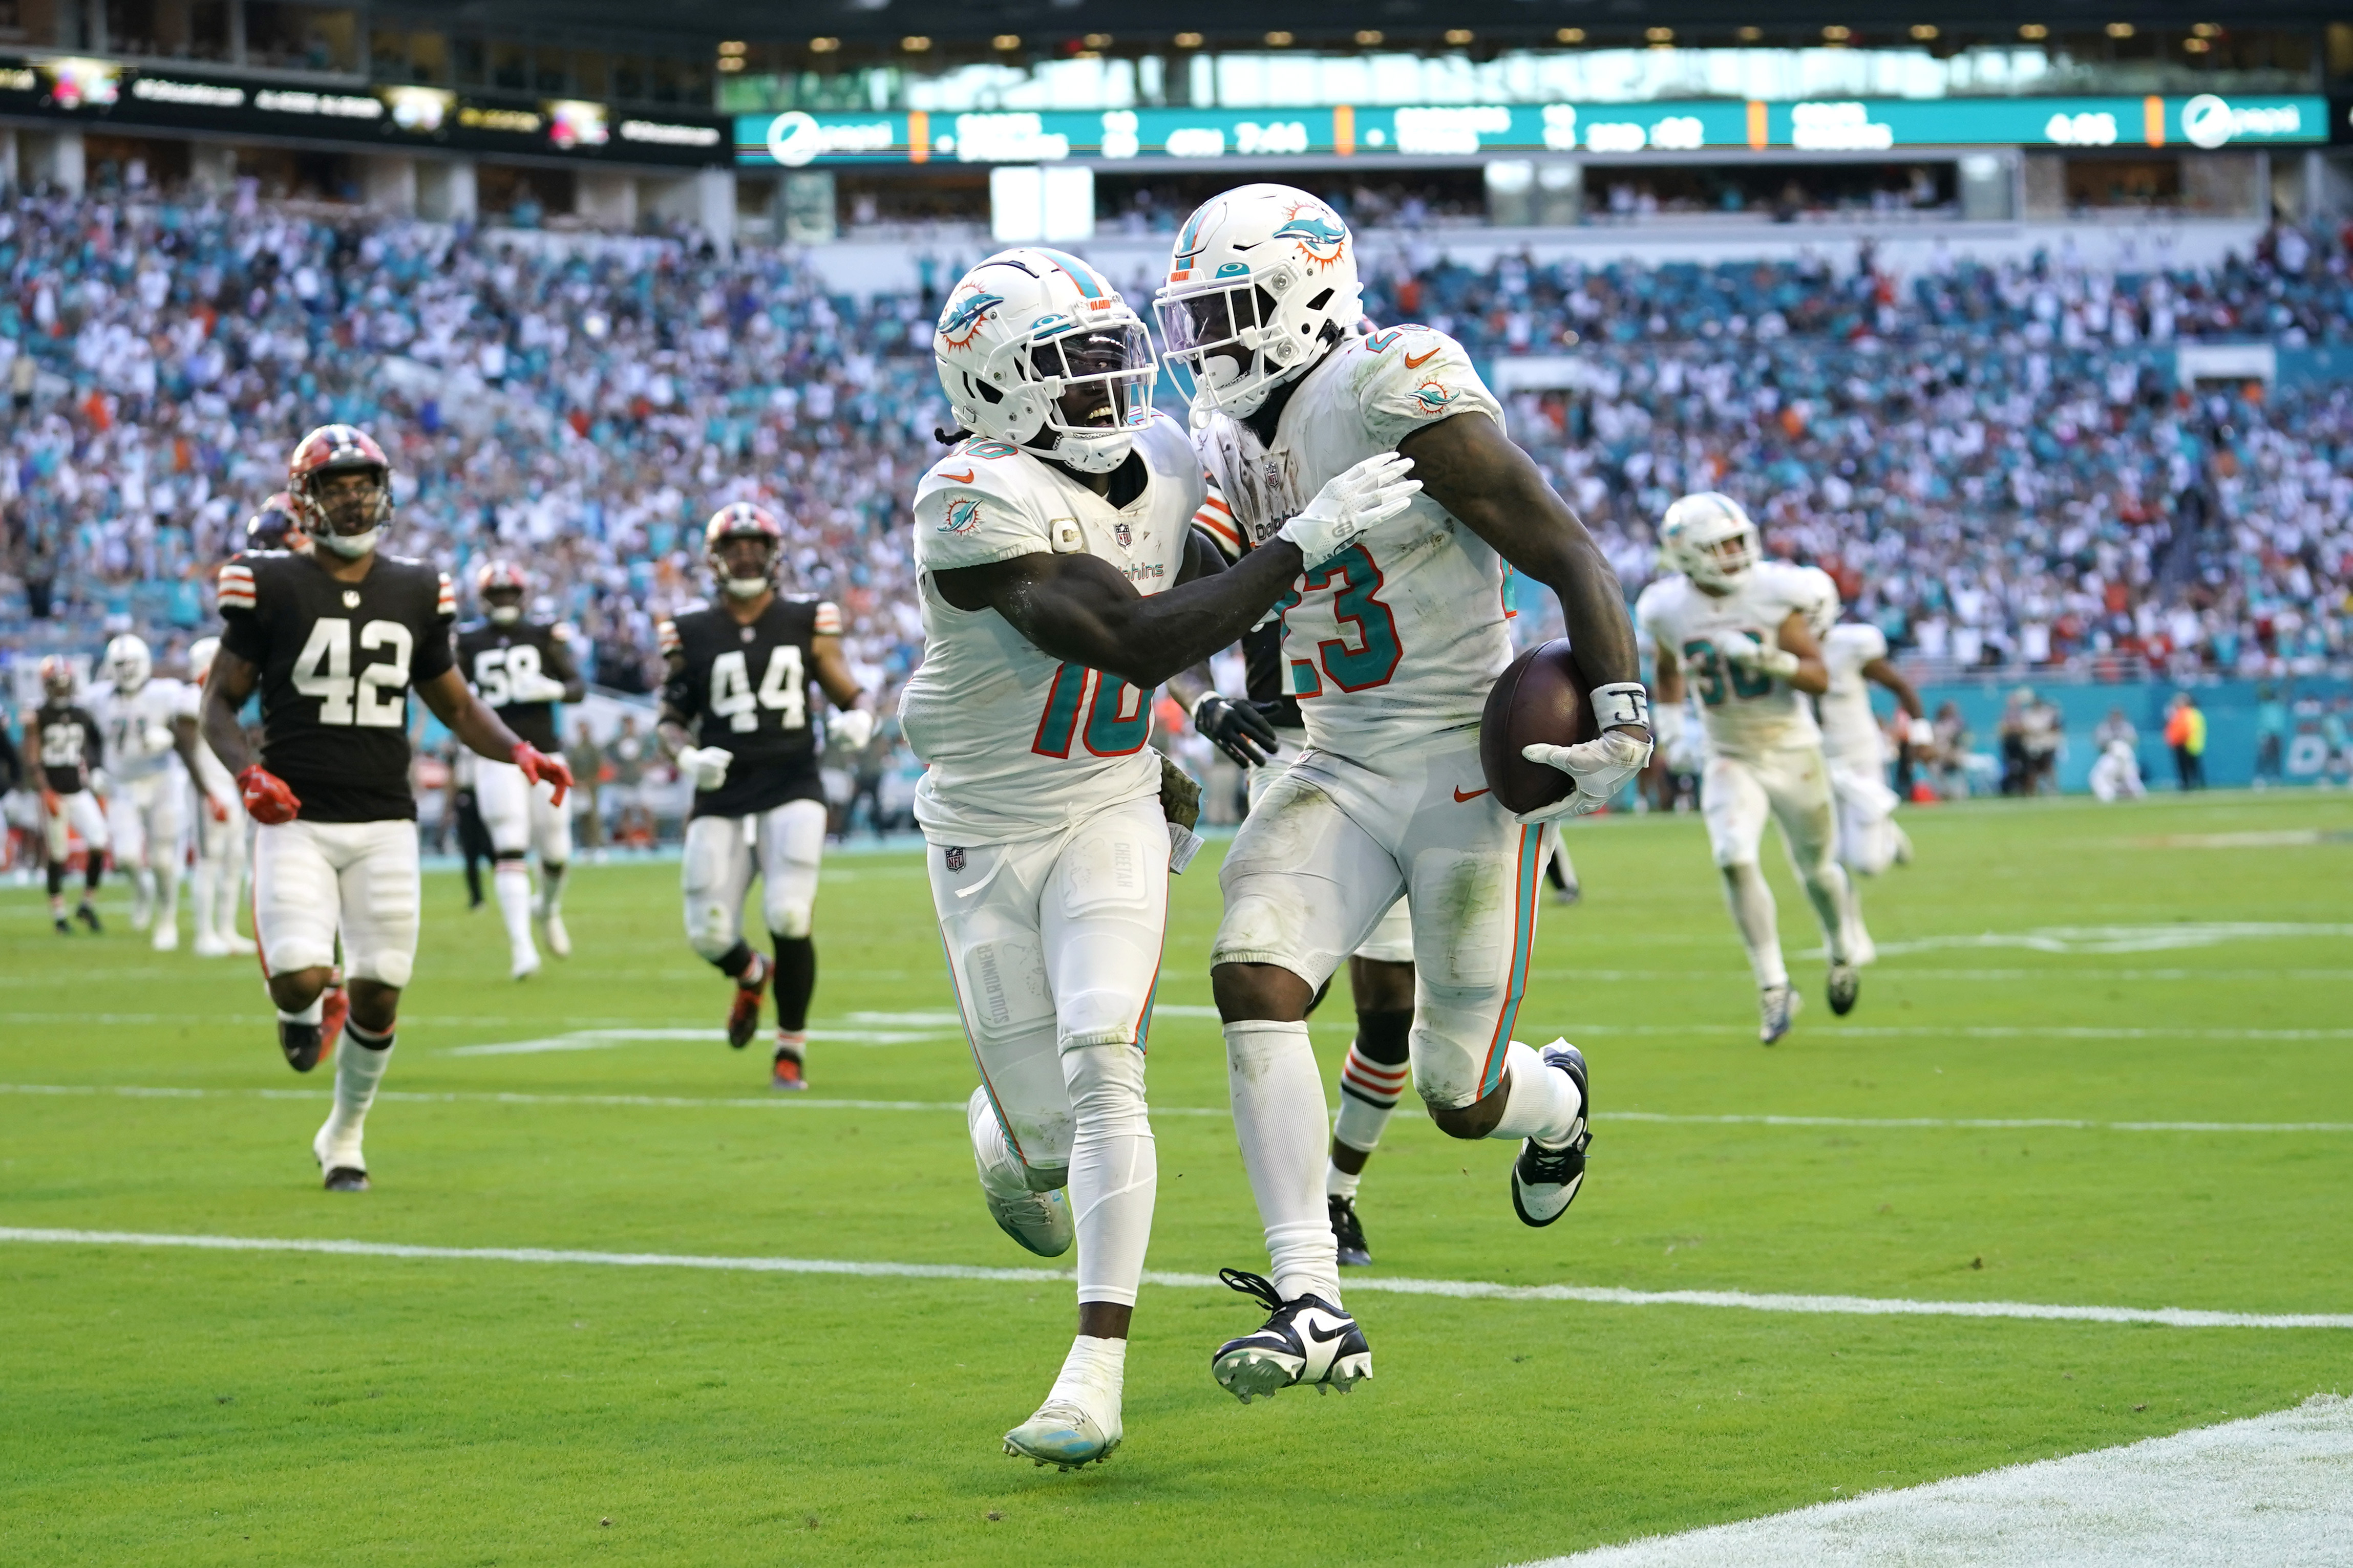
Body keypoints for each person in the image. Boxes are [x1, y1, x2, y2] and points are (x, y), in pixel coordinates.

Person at [906, 245, 1416, 1468]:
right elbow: (1131, 636)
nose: (1102, 385)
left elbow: (1203, 588)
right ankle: (1003, 1136)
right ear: (992, 385)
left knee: (1104, 1054)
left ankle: (1093, 1372)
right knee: (1043, 1133)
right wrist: (1301, 544)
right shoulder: (967, 494)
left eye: (1106, 355)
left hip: (1112, 805)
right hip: (984, 826)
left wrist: (1236, 706)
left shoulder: (1175, 457)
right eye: (1067, 367)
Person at [1159, 185, 1648, 1403]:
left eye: (1227, 310)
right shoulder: (1226, 438)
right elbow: (1204, 594)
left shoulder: (1391, 385)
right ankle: (1308, 1291)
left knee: (1457, 1093)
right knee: (1252, 970)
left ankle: (1557, 1097)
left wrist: (1623, 710)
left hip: (1456, 755)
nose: (1208, 342)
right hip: (1332, 751)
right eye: (1195, 316)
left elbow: (1566, 547)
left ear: (1305, 292)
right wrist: (1209, 691)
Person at [202, 423, 570, 1193]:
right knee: (300, 978)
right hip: (294, 815)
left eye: (363, 483)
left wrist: (521, 751)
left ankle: (345, 1134)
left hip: (384, 818)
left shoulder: (415, 586)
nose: (354, 496)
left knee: (380, 987)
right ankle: (303, 1007)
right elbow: (217, 708)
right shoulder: (267, 582)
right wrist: (245, 775)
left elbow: (457, 705)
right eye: (336, 486)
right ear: (306, 499)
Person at [656, 503, 871, 1090]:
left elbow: (846, 687)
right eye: (734, 547)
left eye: (756, 546)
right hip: (722, 789)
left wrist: (859, 716)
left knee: (788, 912)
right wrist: (685, 756)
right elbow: (670, 715)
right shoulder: (690, 629)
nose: (745, 556)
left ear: (774, 555)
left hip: (791, 781)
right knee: (707, 932)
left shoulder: (805, 618)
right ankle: (752, 974)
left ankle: (790, 1050)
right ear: (715, 559)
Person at [1638, 493, 1867, 1044]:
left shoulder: (1774, 592)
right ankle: (1772, 985)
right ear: (1687, 554)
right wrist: (1670, 730)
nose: (1735, 553)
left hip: (1791, 748)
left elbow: (1818, 677)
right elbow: (1668, 669)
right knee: (1732, 856)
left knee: (1817, 871)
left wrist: (1772, 660)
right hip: (1727, 752)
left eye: (1737, 541)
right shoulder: (1664, 607)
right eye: (1719, 546)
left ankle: (1840, 949)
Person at [456, 561, 587, 976]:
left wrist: (552, 688)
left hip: (546, 751)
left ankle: (547, 908)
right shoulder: (467, 640)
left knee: (557, 851)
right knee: (509, 843)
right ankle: (521, 949)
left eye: (509, 593)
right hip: (496, 755)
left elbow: (577, 687)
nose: (504, 602)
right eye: (496, 595)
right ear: (484, 598)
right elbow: (451, 692)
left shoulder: (544, 633)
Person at [87, 633, 207, 950]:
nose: (127, 670)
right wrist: (95, 768)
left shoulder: (166, 693)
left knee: (164, 860)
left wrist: (169, 738)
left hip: (162, 779)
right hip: (121, 784)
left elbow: (189, 726)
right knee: (126, 857)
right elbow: (89, 736)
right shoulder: (98, 698)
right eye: (121, 664)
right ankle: (142, 890)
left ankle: (166, 921)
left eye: (132, 663)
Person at [1817, 614, 1924, 879]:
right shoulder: (1783, 646)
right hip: (1819, 754)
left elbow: (1901, 687)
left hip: (1858, 752)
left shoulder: (1848, 647)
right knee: (1835, 855)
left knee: (1868, 865)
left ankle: (1886, 831)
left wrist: (1922, 736)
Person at [181, 635, 255, 956]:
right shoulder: (189, 700)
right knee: (209, 861)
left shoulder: (222, 700)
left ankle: (226, 930)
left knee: (235, 858)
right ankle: (204, 933)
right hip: (208, 791)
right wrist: (208, 795)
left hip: (227, 788)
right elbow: (187, 750)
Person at [24, 655, 109, 933]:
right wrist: (45, 791)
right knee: (58, 854)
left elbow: (95, 746)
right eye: (56, 683)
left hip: (79, 789)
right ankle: (59, 915)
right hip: (56, 792)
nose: (61, 688)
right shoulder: (37, 715)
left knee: (99, 842)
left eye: (64, 683)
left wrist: (96, 770)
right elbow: (33, 756)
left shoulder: (81, 714)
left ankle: (87, 904)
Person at [2089, 707, 2145, 802]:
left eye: (2118, 715)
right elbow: (2099, 742)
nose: (2116, 717)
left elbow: (2133, 740)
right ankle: (2109, 795)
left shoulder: (2127, 727)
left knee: (2131, 778)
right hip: (2110, 756)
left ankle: (2136, 794)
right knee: (2098, 778)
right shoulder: (2104, 727)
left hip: (2126, 757)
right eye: (2114, 715)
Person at [2164, 692, 2207, 790]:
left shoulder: (2189, 713)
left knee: (2192, 766)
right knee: (2184, 767)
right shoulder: (2177, 713)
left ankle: (2195, 785)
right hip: (2180, 743)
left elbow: (2188, 729)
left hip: (2187, 743)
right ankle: (2187, 785)